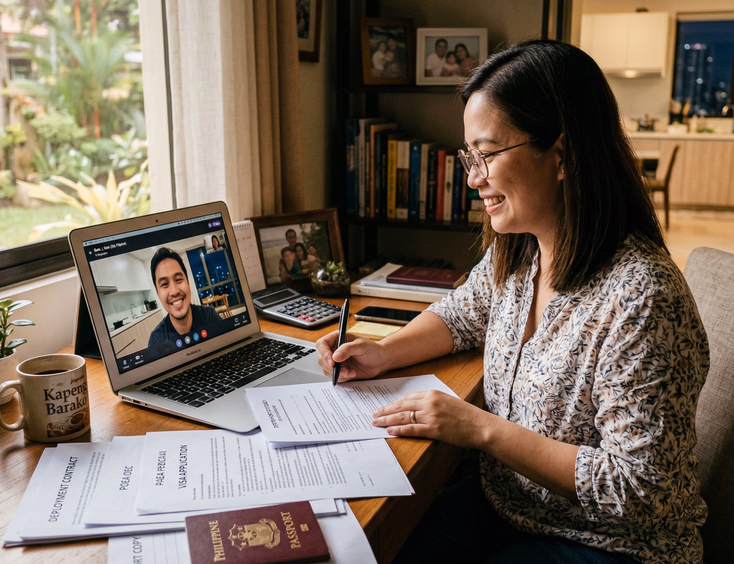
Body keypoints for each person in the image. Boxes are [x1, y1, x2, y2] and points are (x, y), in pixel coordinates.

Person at [316, 39, 708, 564]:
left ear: (563, 155)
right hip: (511, 507)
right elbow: (460, 314)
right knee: (364, 546)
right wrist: (383, 353)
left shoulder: (642, 296)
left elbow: (639, 489)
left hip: (610, 546)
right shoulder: (521, 251)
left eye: (488, 154)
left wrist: (478, 428)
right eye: (468, 156)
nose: (473, 177)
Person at [148, 247, 223, 347]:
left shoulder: (210, 317)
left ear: (188, 283)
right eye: (165, 284)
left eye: (178, 279)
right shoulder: (156, 340)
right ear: (158, 294)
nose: (174, 291)